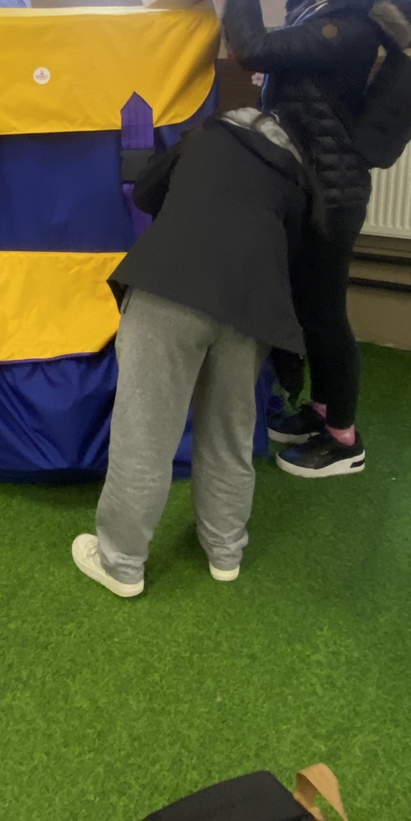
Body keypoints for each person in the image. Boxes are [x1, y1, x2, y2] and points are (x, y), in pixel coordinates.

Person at [71, 106, 316, 598]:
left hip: (169, 287)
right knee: (230, 434)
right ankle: (225, 552)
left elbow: (145, 192)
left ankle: (121, 564)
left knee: (144, 432)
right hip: (251, 308)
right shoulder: (293, 176)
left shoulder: (202, 140)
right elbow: (296, 253)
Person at [222, 0, 411, 479]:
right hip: (314, 186)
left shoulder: (349, 26)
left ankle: (343, 438)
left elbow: (256, 49)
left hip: (331, 194)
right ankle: (320, 410)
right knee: (310, 309)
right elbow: (295, 19)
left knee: (325, 314)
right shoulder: (328, 14)